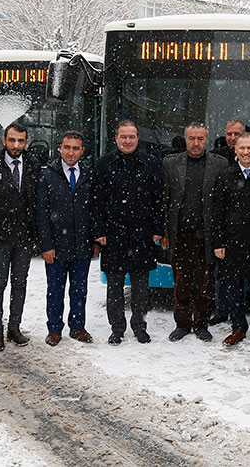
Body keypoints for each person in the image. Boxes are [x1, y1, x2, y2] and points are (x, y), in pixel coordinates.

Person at [90, 120, 163, 345]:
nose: (128, 140)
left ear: (138, 138)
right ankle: (117, 328)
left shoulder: (151, 163)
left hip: (142, 235)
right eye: (123, 136)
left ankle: (140, 327)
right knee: (115, 287)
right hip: (113, 235)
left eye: (132, 136)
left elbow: (159, 199)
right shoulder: (103, 165)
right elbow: (96, 201)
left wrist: (158, 229)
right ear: (116, 138)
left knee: (141, 287)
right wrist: (99, 230)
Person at [0, 122, 41, 352]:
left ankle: (14, 327)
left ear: (26, 142)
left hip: (23, 238)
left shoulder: (33, 165)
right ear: (4, 141)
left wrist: (37, 234)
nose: (16, 145)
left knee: (19, 285)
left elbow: (36, 203)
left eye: (20, 141)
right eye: (12, 140)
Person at [162, 123, 229, 342]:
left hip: (207, 236)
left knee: (205, 284)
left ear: (206, 140)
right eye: (192, 138)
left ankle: (201, 324)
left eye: (200, 139)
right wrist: (164, 232)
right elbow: (165, 200)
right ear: (185, 139)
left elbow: (222, 204)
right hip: (180, 234)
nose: (196, 143)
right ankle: (182, 324)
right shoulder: (171, 164)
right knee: (180, 283)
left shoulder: (219, 165)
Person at [212, 132, 250, 346]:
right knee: (233, 289)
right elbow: (217, 211)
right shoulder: (225, 175)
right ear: (235, 150)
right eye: (241, 148)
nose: (245, 152)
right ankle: (238, 327)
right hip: (232, 242)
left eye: (249, 148)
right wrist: (218, 242)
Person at [36, 131, 93, 346]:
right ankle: (54, 329)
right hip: (56, 246)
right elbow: (41, 213)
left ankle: (77, 326)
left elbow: (94, 209)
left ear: (82, 151)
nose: (71, 152)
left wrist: (95, 240)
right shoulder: (48, 175)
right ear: (60, 148)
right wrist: (46, 245)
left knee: (79, 289)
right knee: (55, 289)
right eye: (67, 147)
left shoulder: (88, 173)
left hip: (82, 244)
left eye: (75, 148)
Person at [210, 117, 247, 325]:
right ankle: (222, 311)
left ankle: (239, 314)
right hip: (226, 225)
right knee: (222, 274)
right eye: (229, 134)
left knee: (245, 276)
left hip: (247, 227)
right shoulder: (217, 159)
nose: (232, 138)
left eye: (237, 134)